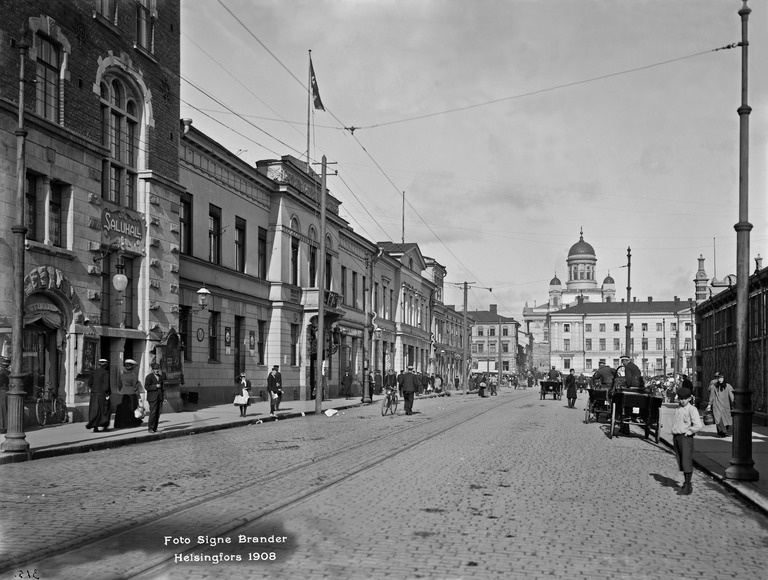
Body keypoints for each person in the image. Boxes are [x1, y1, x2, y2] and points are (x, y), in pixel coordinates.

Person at [670, 385, 703, 495]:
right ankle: (686, 482)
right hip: (677, 437)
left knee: (686, 460)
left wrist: (690, 431)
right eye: (681, 399)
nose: (683, 401)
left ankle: (688, 485)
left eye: (685, 399)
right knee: (681, 460)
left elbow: (698, 425)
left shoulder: (692, 409)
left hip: (686, 437)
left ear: (689, 398)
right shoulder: (678, 409)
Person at [114, 359, 143, 428]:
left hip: (122, 394)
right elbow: (135, 387)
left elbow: (119, 385)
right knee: (131, 410)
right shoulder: (134, 376)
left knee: (122, 410)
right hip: (131, 394)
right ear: (133, 367)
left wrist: (122, 391)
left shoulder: (122, 376)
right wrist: (138, 396)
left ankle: (121, 424)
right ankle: (131, 423)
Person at [85, 359, 111, 433]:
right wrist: (107, 394)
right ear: (106, 365)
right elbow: (106, 385)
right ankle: (104, 426)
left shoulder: (94, 372)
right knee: (105, 409)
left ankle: (95, 426)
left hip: (94, 394)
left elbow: (90, 383)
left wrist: (94, 388)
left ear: (100, 365)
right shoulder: (106, 373)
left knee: (94, 410)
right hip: (102, 394)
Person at [706, 371, 734, 437]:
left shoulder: (728, 386)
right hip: (717, 405)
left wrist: (734, 403)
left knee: (727, 419)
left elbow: (732, 395)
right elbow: (711, 395)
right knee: (719, 419)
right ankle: (721, 432)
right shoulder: (714, 386)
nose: (720, 380)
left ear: (724, 378)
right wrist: (709, 404)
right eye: (719, 378)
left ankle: (726, 432)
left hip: (725, 405)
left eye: (721, 378)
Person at [144, 361, 164, 433]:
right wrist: (155, 386)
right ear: (152, 370)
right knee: (153, 413)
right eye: (155, 369)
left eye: (158, 369)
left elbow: (163, 388)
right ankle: (150, 428)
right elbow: (146, 387)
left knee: (158, 413)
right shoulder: (149, 377)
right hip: (152, 398)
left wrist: (163, 398)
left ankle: (155, 428)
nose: (157, 370)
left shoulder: (160, 377)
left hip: (159, 398)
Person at [0, 355, 10, 434]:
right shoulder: (9, 373)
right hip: (7, 392)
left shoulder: (2, 373)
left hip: (2, 392)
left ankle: (3, 427)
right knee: (6, 409)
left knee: (2, 409)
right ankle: (6, 426)